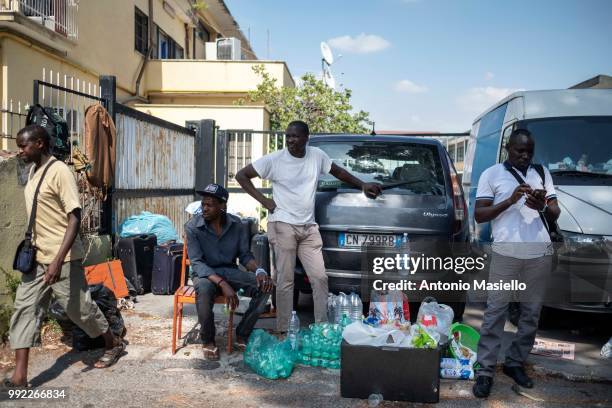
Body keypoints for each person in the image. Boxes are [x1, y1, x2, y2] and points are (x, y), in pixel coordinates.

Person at [235, 120, 382, 333]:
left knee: (320, 277)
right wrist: (264, 201)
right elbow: (242, 175)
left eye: (295, 136)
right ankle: (284, 331)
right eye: (288, 136)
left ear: (306, 138)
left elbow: (338, 172)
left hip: (308, 227)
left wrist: (363, 185)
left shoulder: (316, 156)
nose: (290, 140)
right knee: (285, 281)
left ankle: (321, 328)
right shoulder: (275, 160)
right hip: (283, 224)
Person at [7, 125, 125, 388]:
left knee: (80, 310)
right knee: (24, 310)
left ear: (39, 143)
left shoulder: (60, 171)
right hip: (36, 256)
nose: (20, 151)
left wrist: (58, 261)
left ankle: (113, 342)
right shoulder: (34, 170)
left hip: (62, 257)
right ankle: (20, 376)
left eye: (24, 146)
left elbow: (74, 217)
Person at [472, 129, 561, 398]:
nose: (525, 156)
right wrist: (510, 200)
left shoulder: (542, 173)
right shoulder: (492, 174)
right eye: (519, 150)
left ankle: (515, 363)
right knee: (495, 312)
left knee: (530, 314)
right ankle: (485, 370)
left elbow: (555, 211)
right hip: (506, 253)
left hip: (538, 253)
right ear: (507, 149)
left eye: (529, 151)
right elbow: (480, 215)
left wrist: (541, 205)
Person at [185, 183, 273, 360]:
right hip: (205, 274)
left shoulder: (237, 225)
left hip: (229, 271)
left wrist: (259, 271)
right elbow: (196, 263)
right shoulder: (193, 227)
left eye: (210, 204)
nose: (204, 208)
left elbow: (245, 255)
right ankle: (208, 340)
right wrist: (222, 283)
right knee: (203, 289)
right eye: (203, 204)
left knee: (265, 286)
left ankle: (242, 333)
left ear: (222, 206)